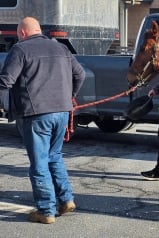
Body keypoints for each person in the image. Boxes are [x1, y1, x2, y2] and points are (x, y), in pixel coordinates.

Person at [0, 17, 85, 224]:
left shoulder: (20, 50)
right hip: (62, 111)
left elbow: (5, 82)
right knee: (54, 156)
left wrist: (3, 106)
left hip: (36, 114)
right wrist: (69, 97)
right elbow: (80, 74)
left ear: (22, 33)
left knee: (39, 163)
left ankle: (46, 210)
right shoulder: (61, 48)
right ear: (39, 30)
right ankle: (65, 200)